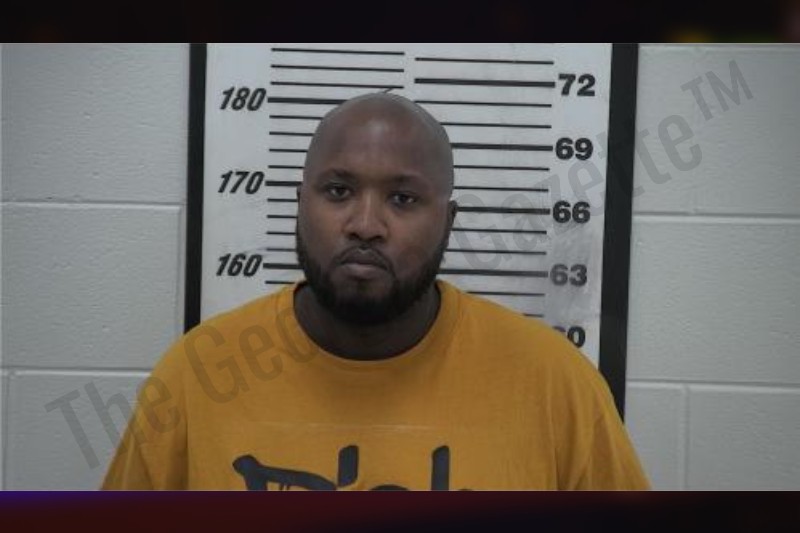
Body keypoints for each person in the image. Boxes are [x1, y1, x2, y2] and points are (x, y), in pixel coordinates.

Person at [102, 92, 649, 490]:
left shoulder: (555, 385)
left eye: (403, 199)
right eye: (339, 191)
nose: (365, 225)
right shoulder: (196, 378)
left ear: (448, 221)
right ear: (300, 204)